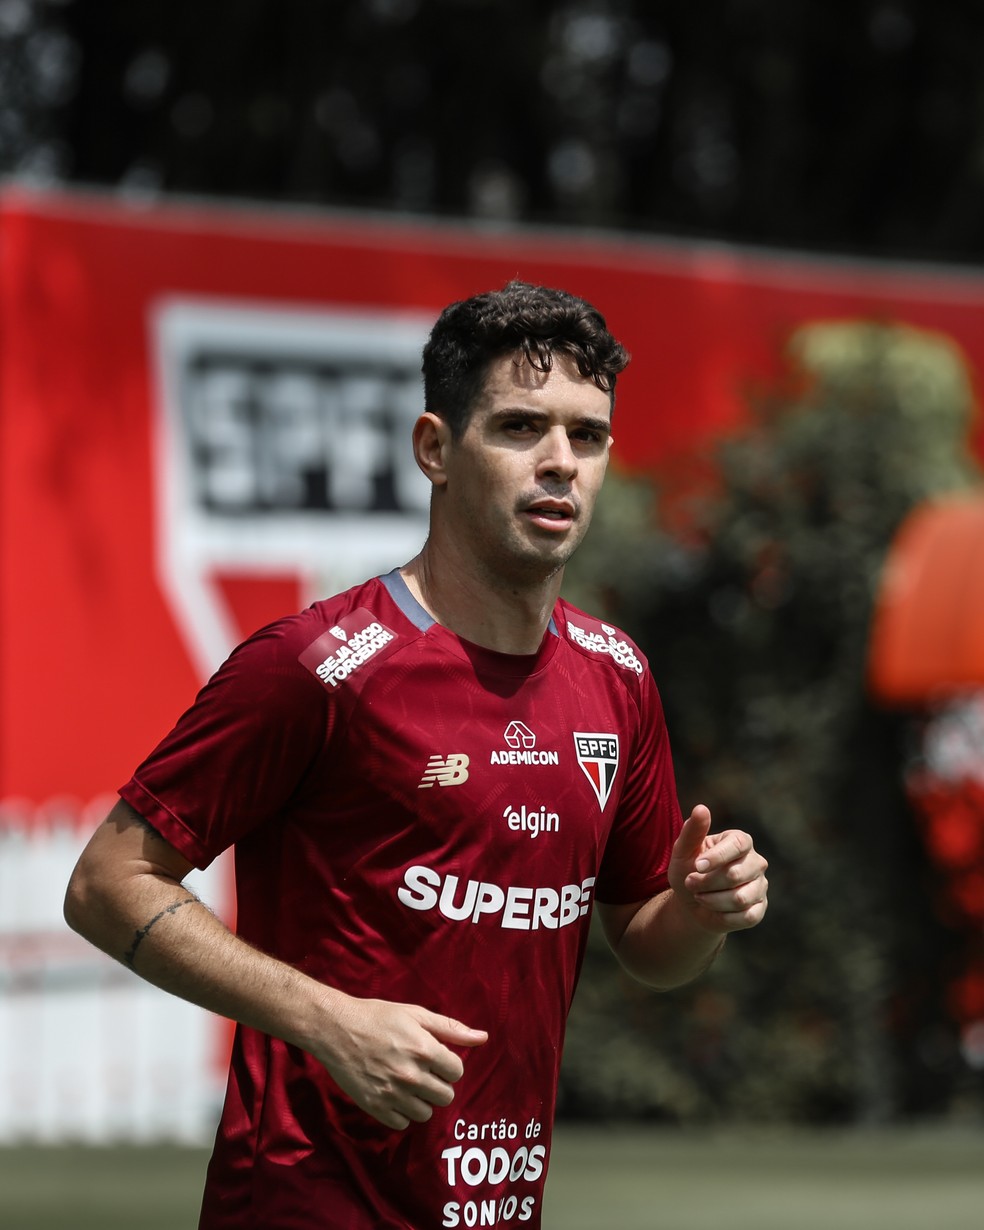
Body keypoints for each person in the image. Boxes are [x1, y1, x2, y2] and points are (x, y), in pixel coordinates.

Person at [65, 280, 769, 1229]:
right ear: (436, 449)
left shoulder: (619, 677)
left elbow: (648, 947)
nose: (560, 463)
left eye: (587, 436)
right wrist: (328, 1022)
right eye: (521, 429)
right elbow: (107, 882)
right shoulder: (313, 666)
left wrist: (697, 910)